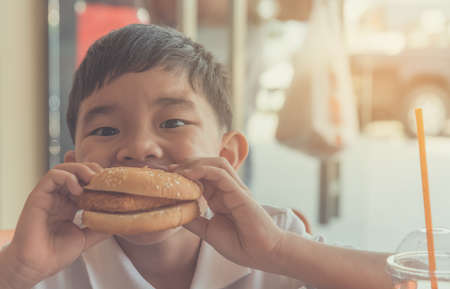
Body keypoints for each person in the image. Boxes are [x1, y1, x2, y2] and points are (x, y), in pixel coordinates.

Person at [0, 24, 392, 289]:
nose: (139, 147)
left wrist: (279, 252)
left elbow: (425, 279)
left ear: (227, 155)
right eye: (105, 130)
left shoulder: (274, 240)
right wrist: (17, 271)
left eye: (171, 122)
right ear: (74, 163)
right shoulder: (53, 262)